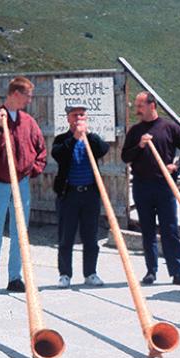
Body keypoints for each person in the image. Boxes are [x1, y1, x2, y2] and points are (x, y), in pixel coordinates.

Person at [0, 76, 47, 296]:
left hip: (21, 183)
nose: (29, 100)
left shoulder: (28, 121)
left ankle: (15, 278)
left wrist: (32, 169)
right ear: (15, 94)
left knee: (20, 233)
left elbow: (40, 149)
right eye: (27, 96)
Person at [121, 91, 180, 286]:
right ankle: (151, 271)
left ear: (152, 105)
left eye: (140, 106)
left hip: (165, 185)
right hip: (141, 185)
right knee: (147, 230)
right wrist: (139, 145)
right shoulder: (135, 131)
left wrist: (178, 164)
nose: (137, 110)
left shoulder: (168, 127)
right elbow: (125, 157)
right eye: (136, 106)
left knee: (170, 229)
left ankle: (177, 272)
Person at [52, 103, 109, 288]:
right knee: (66, 237)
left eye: (82, 115)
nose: (78, 118)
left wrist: (88, 135)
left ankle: (90, 273)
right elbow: (58, 155)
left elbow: (103, 149)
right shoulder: (61, 139)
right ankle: (65, 274)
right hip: (68, 194)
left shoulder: (91, 139)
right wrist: (74, 138)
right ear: (68, 119)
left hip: (90, 194)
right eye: (75, 115)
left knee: (91, 237)